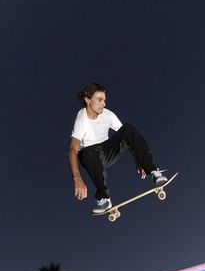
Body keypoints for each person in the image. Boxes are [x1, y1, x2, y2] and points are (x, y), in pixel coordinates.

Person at [68, 83, 167, 215]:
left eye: (104, 100)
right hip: (92, 157)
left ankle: (154, 172)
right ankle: (104, 198)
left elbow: (128, 137)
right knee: (86, 152)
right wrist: (77, 178)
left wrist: (138, 160)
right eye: (99, 100)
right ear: (87, 99)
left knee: (128, 128)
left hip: (108, 151)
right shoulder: (81, 119)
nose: (104, 104)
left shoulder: (108, 115)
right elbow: (72, 150)